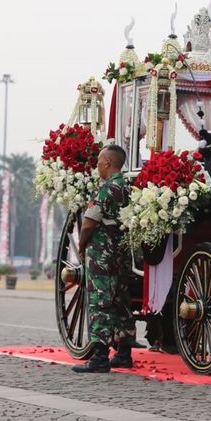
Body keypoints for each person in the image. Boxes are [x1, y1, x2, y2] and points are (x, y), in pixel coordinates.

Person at [73, 145, 136, 373]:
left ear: (108, 162)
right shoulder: (127, 187)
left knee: (101, 301)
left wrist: (81, 245)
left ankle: (100, 357)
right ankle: (124, 354)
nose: (97, 166)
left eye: (100, 161)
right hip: (122, 254)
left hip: (102, 253)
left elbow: (90, 222)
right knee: (121, 302)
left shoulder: (107, 189)